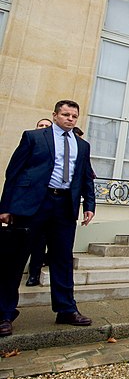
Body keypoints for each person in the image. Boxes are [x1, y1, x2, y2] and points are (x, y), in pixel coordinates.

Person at [0, 100, 96, 337]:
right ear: (55, 115)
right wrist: (6, 206)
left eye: (74, 116)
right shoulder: (34, 137)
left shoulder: (82, 146)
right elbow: (13, 172)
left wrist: (89, 205)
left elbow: (86, 177)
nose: (70, 119)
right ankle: (4, 313)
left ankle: (66, 309)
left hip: (64, 206)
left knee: (62, 259)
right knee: (15, 260)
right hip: (34, 204)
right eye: (65, 114)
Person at [25, 118, 56, 286]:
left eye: (46, 126)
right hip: (28, 203)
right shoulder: (29, 141)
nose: (43, 128)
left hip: (47, 204)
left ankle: (34, 274)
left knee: (39, 242)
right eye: (41, 125)